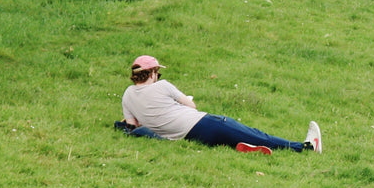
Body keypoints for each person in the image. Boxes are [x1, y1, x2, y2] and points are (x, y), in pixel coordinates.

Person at [119, 55, 322, 153]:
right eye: (157, 72)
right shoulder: (163, 86)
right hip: (204, 123)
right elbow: (192, 107)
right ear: (152, 73)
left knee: (238, 137)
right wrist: (187, 100)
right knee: (255, 132)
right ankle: (305, 147)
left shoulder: (127, 95)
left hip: (192, 138)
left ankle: (246, 147)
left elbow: (133, 125)